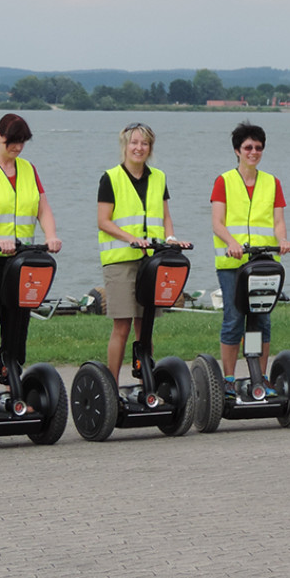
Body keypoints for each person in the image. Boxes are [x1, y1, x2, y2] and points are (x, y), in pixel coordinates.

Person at [0, 114, 61, 393]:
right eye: (12, 141)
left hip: (21, 261)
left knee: (17, 325)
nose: (17, 147)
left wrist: (50, 236)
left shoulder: (28, 169)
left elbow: (43, 208)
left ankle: (12, 387)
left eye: (22, 142)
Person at [98, 121, 189, 383]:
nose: (139, 148)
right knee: (122, 325)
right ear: (125, 146)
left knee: (145, 327)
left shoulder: (158, 177)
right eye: (134, 143)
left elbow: (165, 216)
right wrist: (132, 239)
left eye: (144, 143)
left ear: (150, 148)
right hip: (121, 262)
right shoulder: (111, 177)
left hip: (152, 262)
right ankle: (110, 387)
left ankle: (146, 383)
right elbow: (104, 220)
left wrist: (171, 239)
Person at [210, 122, 290, 386]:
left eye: (258, 147)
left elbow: (278, 221)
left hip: (263, 264)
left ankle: (260, 375)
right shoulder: (224, 181)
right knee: (234, 319)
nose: (253, 152)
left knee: (260, 320)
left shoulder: (272, 182)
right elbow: (217, 223)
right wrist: (232, 243)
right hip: (232, 263)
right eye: (248, 147)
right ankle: (230, 378)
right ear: (237, 150)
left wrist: (282, 240)